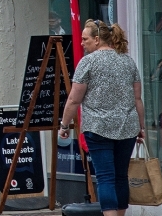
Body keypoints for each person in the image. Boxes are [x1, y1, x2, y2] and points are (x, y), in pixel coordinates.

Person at [59, 20, 145, 216]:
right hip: (127, 127)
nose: (81, 43)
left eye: (85, 39)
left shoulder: (88, 62)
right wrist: (141, 126)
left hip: (98, 127)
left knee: (106, 177)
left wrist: (64, 125)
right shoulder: (127, 61)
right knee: (121, 177)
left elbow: (74, 99)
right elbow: (137, 98)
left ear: (97, 39)